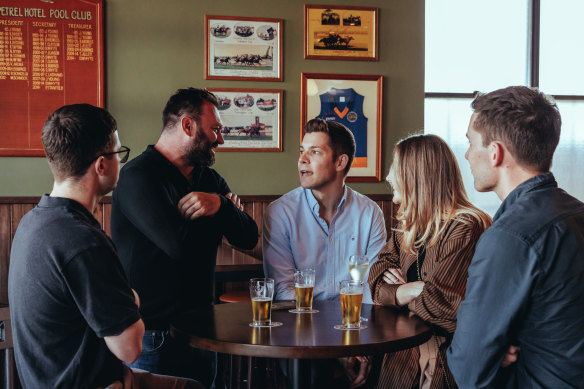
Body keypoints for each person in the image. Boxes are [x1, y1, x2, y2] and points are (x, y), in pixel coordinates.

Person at [8, 104, 201, 388]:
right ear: (101, 165)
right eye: (118, 153)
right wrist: (131, 299)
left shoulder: (31, 223)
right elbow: (130, 349)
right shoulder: (83, 241)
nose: (120, 162)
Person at [111, 88, 259, 387]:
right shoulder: (138, 176)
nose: (221, 138)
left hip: (203, 330)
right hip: (153, 336)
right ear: (188, 126)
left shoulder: (209, 179)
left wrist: (221, 205)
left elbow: (247, 236)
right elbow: (181, 247)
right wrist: (223, 217)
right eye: (215, 129)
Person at [447, 86, 584, 388]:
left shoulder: (510, 236)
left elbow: (469, 368)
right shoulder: (577, 212)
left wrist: (493, 352)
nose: (467, 155)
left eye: (470, 143)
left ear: (495, 153)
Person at [262, 118, 387, 387]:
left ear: (340, 162)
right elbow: (283, 291)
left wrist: (355, 344)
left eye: (314, 152)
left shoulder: (370, 213)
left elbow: (372, 288)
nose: (302, 160)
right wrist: (333, 348)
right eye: (301, 151)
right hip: (299, 333)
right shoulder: (280, 212)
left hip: (357, 331)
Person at [368, 134, 491, 389]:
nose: (390, 178)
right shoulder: (409, 224)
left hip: (445, 361)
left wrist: (402, 295)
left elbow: (443, 306)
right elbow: (376, 282)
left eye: (396, 173)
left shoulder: (466, 226)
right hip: (403, 356)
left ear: (416, 177)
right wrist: (414, 288)